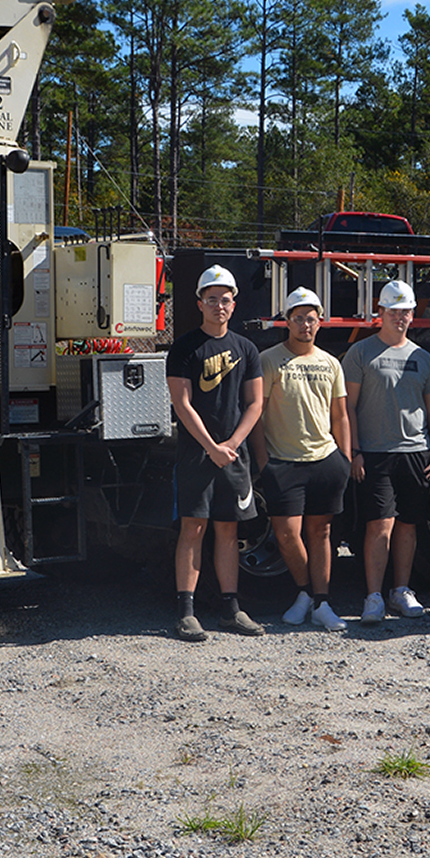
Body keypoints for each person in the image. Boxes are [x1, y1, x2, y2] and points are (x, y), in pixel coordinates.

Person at [165, 264, 266, 642]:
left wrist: (233, 445)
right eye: (212, 299)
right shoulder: (184, 348)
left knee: (228, 529)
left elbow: (254, 403)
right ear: (199, 303)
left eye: (225, 300)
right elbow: (182, 402)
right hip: (196, 454)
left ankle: (230, 609)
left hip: (233, 454)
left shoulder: (246, 349)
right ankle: (186, 612)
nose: (219, 306)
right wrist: (211, 447)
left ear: (234, 304)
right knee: (193, 527)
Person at [343, 280, 430, 623]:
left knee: (408, 525)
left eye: (406, 311)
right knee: (380, 525)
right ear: (381, 313)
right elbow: (348, 408)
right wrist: (354, 450)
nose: (400, 317)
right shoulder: (361, 353)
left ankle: (400, 591)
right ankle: (373, 596)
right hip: (375, 453)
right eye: (394, 311)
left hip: (415, 452)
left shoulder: (421, 357)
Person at [251, 287, 352, 633]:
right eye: (298, 318)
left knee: (321, 532)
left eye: (310, 318)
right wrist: (264, 462)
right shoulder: (270, 359)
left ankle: (320, 602)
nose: (305, 325)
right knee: (286, 534)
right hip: (283, 462)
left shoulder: (330, 363)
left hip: (325, 459)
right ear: (287, 322)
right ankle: (306, 593)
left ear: (319, 322)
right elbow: (258, 413)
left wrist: (345, 458)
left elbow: (340, 415)